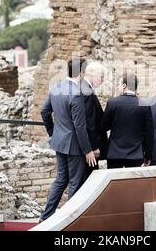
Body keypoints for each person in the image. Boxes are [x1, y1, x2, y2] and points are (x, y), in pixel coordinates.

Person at [39, 58, 96, 222]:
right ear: (82, 73)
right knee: (75, 183)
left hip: (59, 142)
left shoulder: (57, 87)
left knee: (61, 179)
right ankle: (69, 221)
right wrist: (88, 150)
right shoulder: (77, 94)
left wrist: (53, 132)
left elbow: (44, 111)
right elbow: (80, 126)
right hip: (74, 146)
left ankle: (46, 216)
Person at [102, 73, 153, 169]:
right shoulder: (145, 104)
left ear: (124, 85)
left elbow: (104, 126)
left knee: (113, 182)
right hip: (136, 153)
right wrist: (148, 155)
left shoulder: (112, 102)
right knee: (132, 183)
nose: (118, 87)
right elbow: (149, 133)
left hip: (115, 152)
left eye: (118, 85)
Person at [80, 61, 108, 179]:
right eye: (101, 77)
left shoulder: (83, 87)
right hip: (90, 148)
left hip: (85, 144)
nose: (103, 80)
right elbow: (89, 122)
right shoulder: (87, 92)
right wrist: (94, 146)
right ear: (92, 75)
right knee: (89, 179)